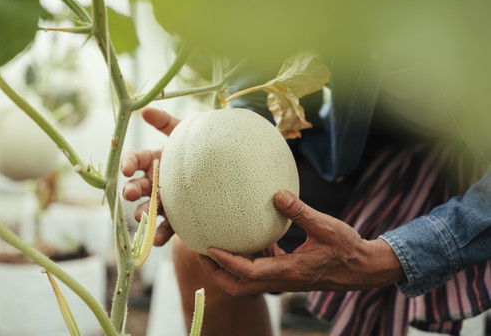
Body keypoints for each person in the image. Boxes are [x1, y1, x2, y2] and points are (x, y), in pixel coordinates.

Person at [121, 47, 491, 335]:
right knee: (205, 253)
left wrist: (388, 257)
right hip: (376, 158)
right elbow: (266, 72)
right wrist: (211, 150)